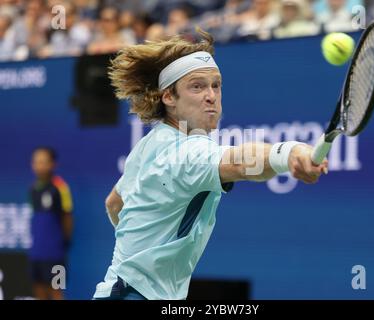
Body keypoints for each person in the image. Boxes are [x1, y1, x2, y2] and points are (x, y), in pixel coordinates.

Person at [93, 29, 328, 300]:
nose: (211, 96)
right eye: (197, 86)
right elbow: (240, 164)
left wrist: (141, 249)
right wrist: (289, 152)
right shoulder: (188, 152)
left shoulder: (149, 145)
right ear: (168, 97)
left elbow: (114, 203)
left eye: (216, 85)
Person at [29, 147, 73, 300]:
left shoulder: (60, 187)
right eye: (36, 161)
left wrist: (63, 243)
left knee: (56, 291)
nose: (40, 165)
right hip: (37, 254)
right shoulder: (33, 189)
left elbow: (67, 217)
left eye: (44, 161)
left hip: (55, 254)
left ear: (52, 164)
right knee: (39, 291)